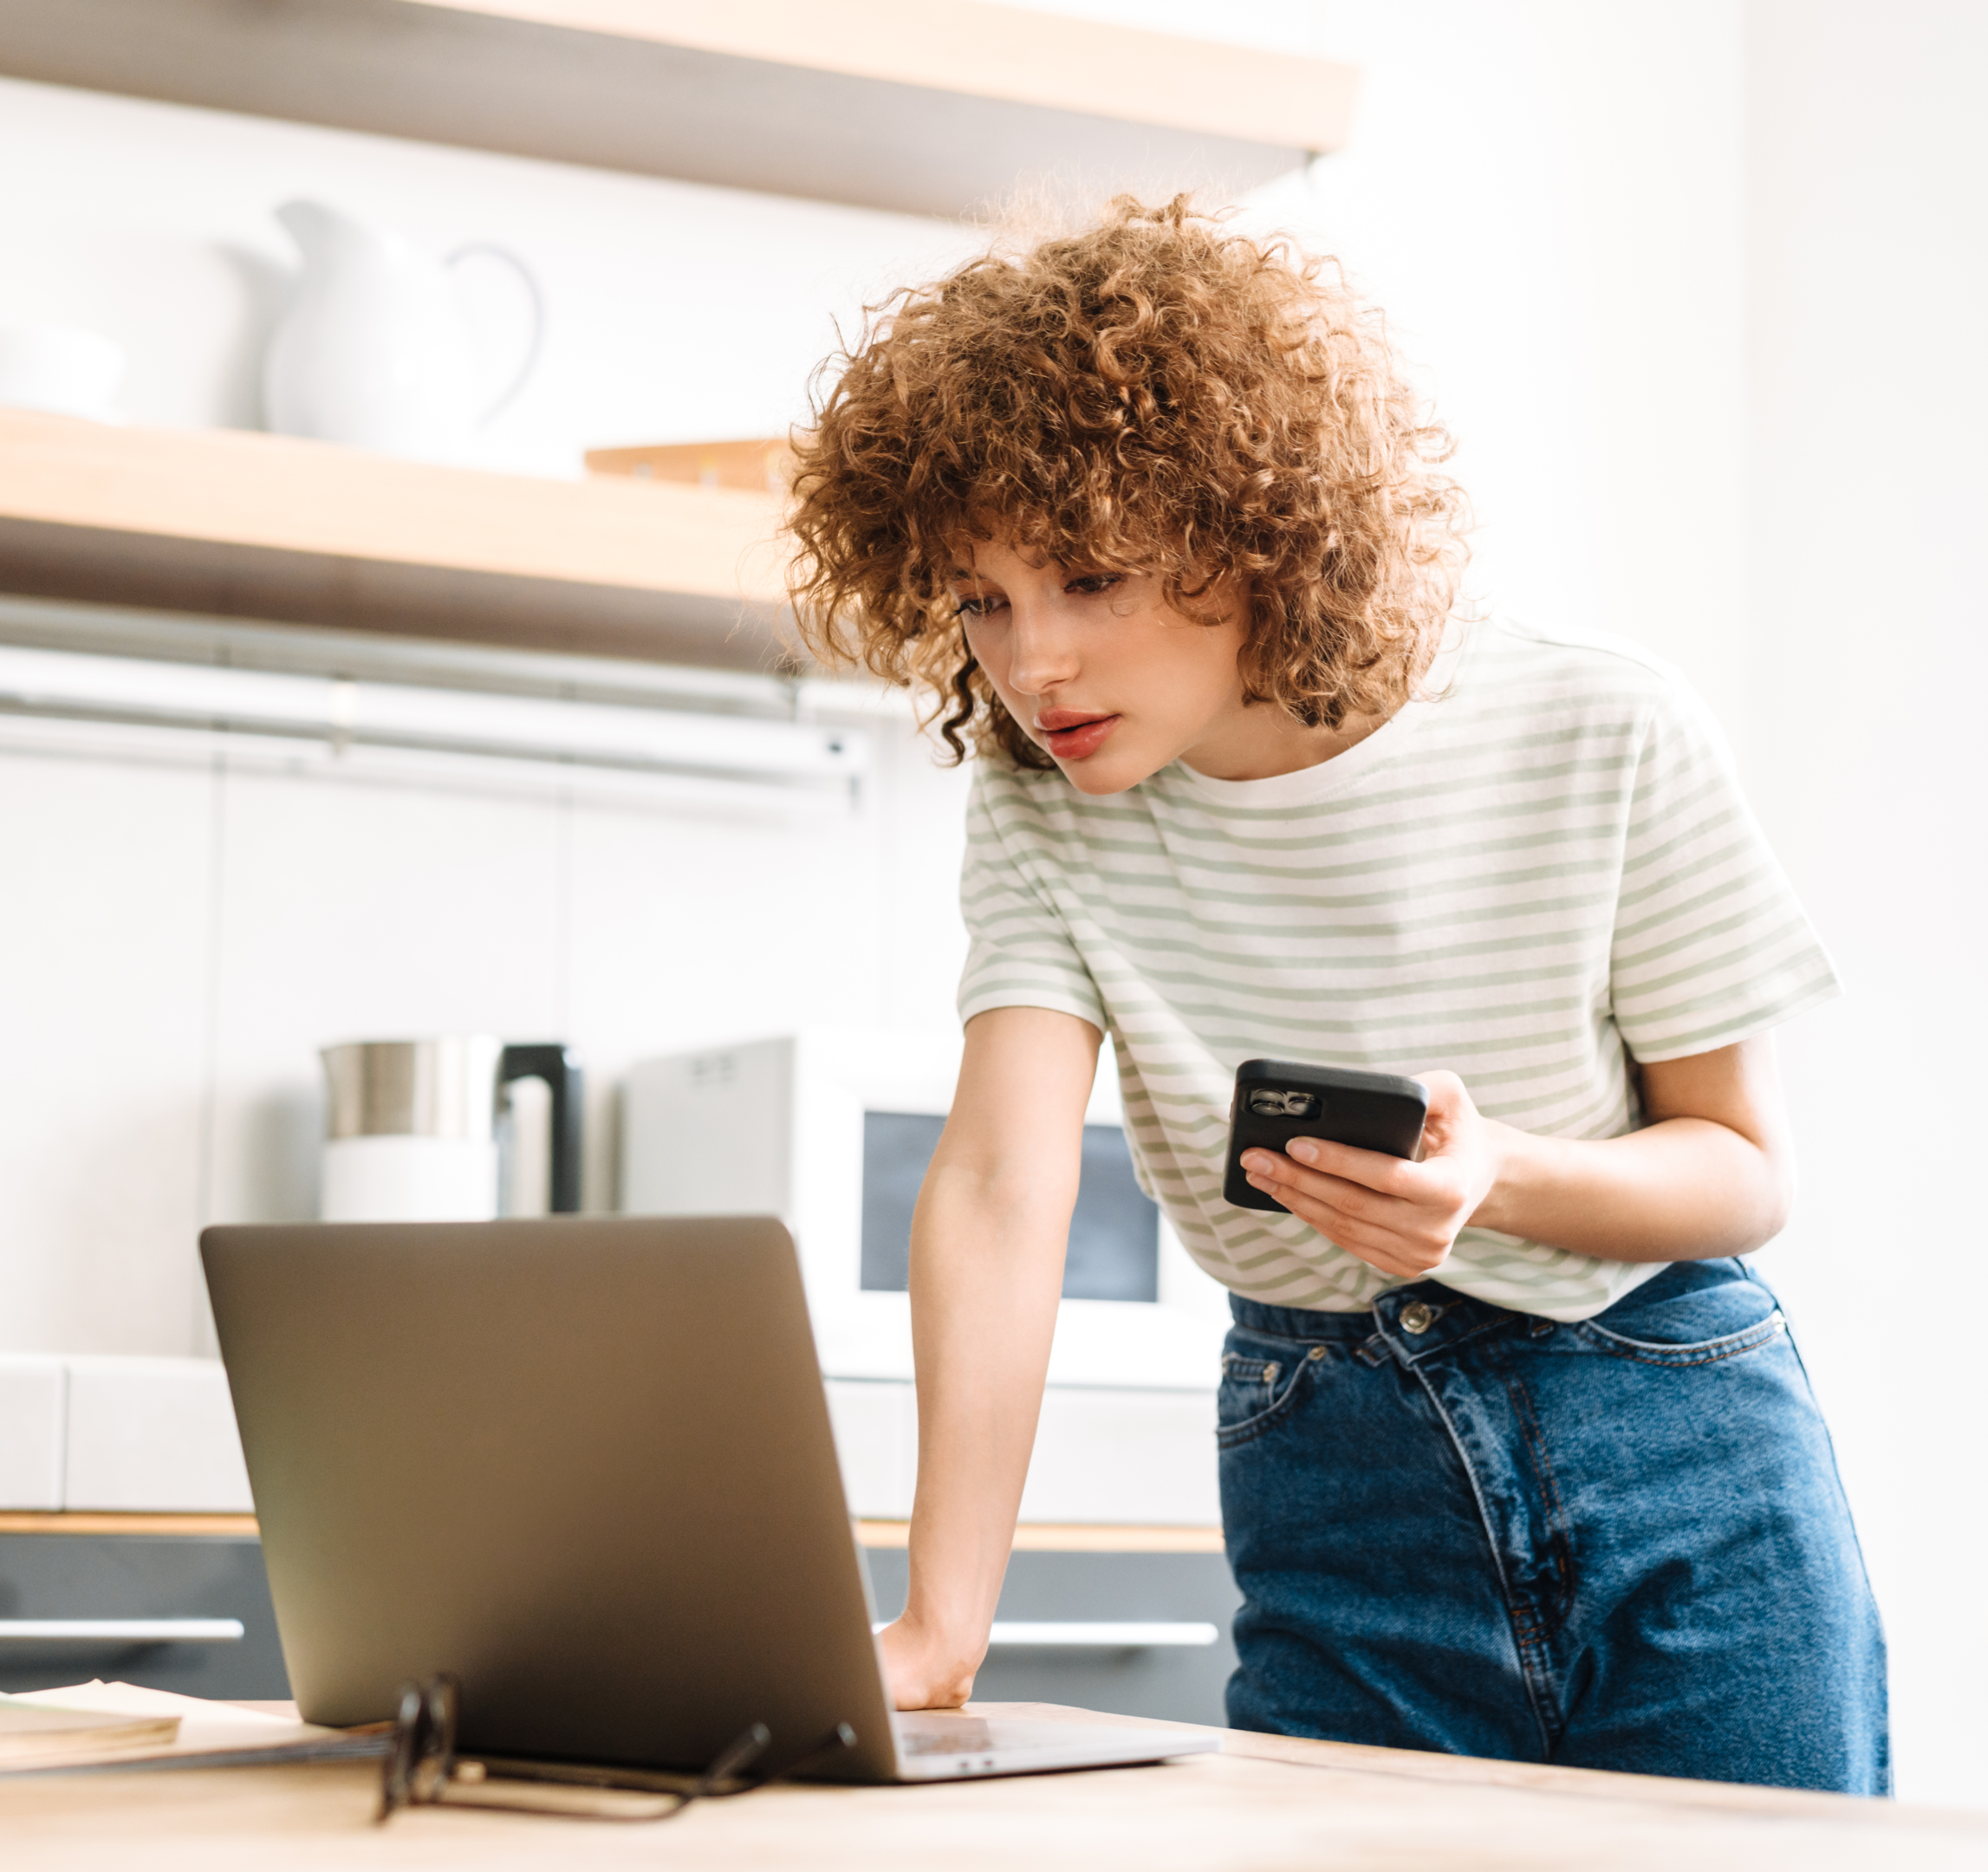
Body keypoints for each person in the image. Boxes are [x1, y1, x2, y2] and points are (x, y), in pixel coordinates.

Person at [783, 198, 1885, 1793]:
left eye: (1087, 576)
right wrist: (939, 1621)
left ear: (1252, 528)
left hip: (1678, 1461)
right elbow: (1000, 1181)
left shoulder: (1599, 728)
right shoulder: (1039, 803)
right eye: (981, 598)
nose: (1030, 665)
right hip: (1329, 1472)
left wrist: (1494, 1173)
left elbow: (1743, 1171)